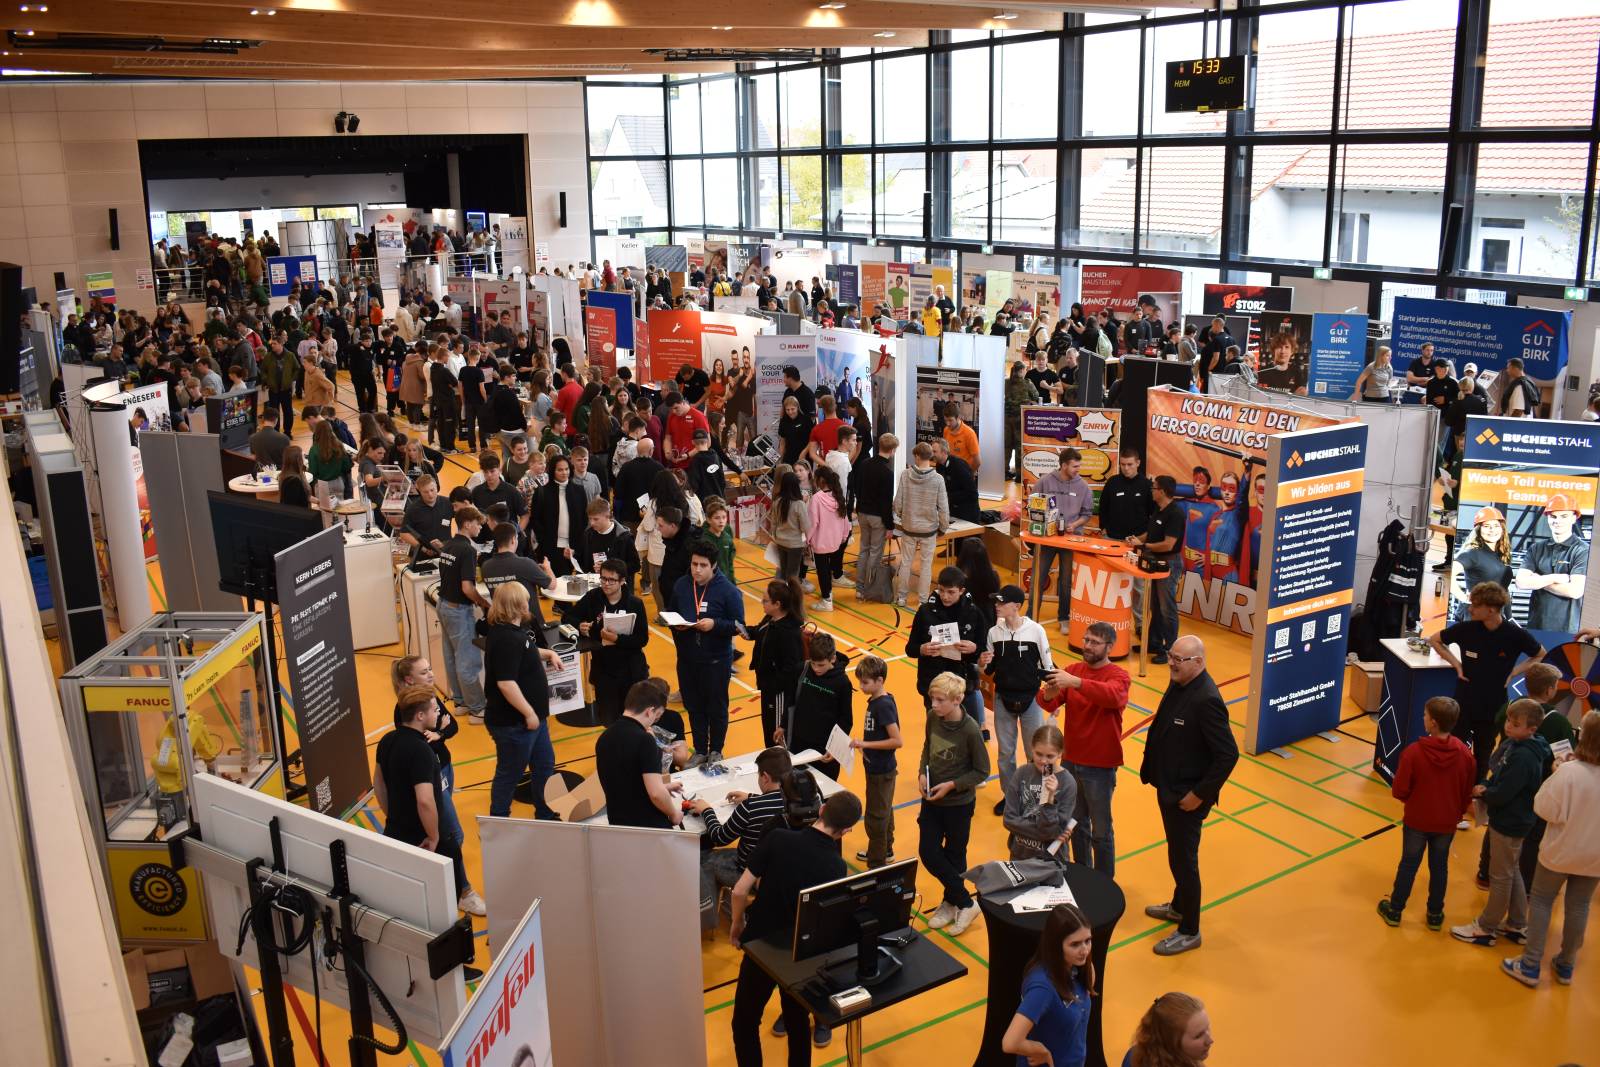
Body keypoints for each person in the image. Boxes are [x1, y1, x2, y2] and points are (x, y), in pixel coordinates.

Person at [728, 792, 863, 1064]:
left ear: (821, 809)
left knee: (745, 1021)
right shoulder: (836, 866)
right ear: (846, 830)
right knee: (797, 1023)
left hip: (761, 948)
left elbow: (740, 890)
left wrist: (737, 923)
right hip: (799, 957)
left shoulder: (778, 838)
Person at [372, 686, 484, 980]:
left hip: (396, 832)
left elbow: (379, 785)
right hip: (426, 841)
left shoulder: (387, 741)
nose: (438, 713)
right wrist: (434, 837)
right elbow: (425, 800)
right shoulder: (421, 750)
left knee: (412, 905)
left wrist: (393, 816)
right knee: (442, 910)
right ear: (420, 716)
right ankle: (452, 968)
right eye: (434, 709)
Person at [1139, 635, 1239, 956]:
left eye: (1178, 659)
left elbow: (1228, 755)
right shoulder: (1181, 682)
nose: (1170, 663)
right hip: (1170, 788)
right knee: (1177, 855)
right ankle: (1179, 907)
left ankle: (1189, 929)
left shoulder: (1206, 700)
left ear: (1198, 662)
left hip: (1186, 797)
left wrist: (1199, 794)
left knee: (1184, 862)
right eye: (1170, 656)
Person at [1503, 709, 1600, 987]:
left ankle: (1530, 963)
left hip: (1560, 851)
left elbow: (1543, 808)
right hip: (1594, 856)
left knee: (1542, 901)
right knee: (1579, 906)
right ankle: (1566, 964)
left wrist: (1555, 773)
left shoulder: (1569, 773)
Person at [1452, 699, 1553, 947]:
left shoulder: (1524, 757)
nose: (1508, 726)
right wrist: (1487, 784)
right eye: (1508, 720)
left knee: (1500, 877)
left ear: (1531, 729)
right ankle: (1517, 923)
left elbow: (1505, 792)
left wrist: (1485, 792)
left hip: (1510, 822)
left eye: (1515, 724)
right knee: (1511, 870)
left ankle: (1486, 928)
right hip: (1512, 819)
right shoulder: (1517, 745)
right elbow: (1500, 776)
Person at [1428, 581, 1545, 784]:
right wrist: (1456, 664)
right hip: (1464, 701)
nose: (1470, 609)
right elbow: (1434, 639)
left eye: (1475, 605)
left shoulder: (1514, 634)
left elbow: (1540, 654)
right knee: (1453, 748)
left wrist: (1514, 672)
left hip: (1494, 705)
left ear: (1491, 610)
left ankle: (1476, 791)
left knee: (1483, 754)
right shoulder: (1467, 629)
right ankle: (1449, 786)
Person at [1377, 696, 1476, 930]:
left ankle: (1395, 911)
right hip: (1446, 822)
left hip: (1417, 820)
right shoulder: (1465, 755)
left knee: (1408, 865)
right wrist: (1457, 811)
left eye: (1425, 715)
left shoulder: (1413, 753)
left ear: (1433, 723)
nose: (1423, 718)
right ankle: (1434, 914)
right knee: (1439, 867)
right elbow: (1467, 792)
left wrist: (1414, 802)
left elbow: (1399, 790)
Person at [1039, 620, 1130, 875]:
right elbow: (1048, 702)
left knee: (1101, 831)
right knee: (1075, 824)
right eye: (1086, 640)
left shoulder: (1118, 676)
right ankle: (1083, 874)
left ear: (1109, 647)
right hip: (1071, 762)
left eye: (1095, 642)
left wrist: (1076, 682)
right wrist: (1049, 692)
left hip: (1100, 766)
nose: (1088, 646)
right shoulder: (1074, 670)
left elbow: (1112, 696)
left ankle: (1104, 882)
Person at [482, 582, 564, 821]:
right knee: (510, 773)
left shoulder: (512, 632)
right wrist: (529, 713)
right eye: (526, 600)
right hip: (515, 723)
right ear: (517, 605)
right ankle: (499, 821)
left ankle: (545, 812)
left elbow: (526, 650)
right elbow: (506, 683)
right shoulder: (506, 638)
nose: (529, 604)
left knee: (544, 764)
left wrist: (548, 653)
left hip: (533, 721)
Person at [693, 746, 794, 934]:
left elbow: (720, 837)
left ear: (765, 777)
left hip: (748, 873)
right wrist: (751, 796)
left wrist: (707, 811)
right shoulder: (798, 801)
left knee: (704, 859)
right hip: (783, 873)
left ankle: (707, 919)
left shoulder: (750, 807)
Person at [919, 671, 990, 937]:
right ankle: (966, 903)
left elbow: (982, 771)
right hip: (931, 801)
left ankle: (951, 903)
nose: (934, 705)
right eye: (933, 699)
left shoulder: (970, 730)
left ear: (957, 699)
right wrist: (921, 772)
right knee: (929, 852)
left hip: (959, 805)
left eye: (940, 700)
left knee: (955, 855)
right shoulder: (932, 717)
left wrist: (951, 785)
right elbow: (927, 747)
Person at [668, 540, 745, 767]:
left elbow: (739, 625)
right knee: (694, 707)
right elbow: (670, 612)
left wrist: (715, 625)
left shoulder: (728, 591)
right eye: (694, 564)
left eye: (703, 565)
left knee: (716, 708)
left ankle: (716, 751)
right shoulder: (682, 585)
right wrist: (676, 625)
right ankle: (700, 750)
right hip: (687, 660)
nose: (697, 570)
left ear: (713, 566)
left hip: (716, 661)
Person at [984, 585, 1054, 815]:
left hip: (1031, 700)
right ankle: (1011, 796)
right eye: (996, 602)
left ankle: (1039, 798)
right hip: (1003, 699)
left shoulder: (1036, 631)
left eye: (1001, 602)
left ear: (1016, 606)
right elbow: (989, 669)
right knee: (1005, 753)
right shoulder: (994, 632)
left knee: (1037, 752)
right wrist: (983, 663)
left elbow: (1047, 667)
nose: (997, 606)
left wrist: (1053, 698)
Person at [1001, 902, 1096, 1067]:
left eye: (1087, 941)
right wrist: (1040, 1051)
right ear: (1056, 944)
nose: (1084, 951)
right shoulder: (1043, 988)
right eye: (1075, 944)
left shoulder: (1081, 966)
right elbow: (1010, 1042)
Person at [596, 679, 686, 830]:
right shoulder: (645, 740)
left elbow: (626, 782)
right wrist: (673, 813)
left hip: (618, 824)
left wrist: (664, 787)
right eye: (657, 716)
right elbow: (656, 794)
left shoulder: (604, 737)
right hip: (647, 827)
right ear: (649, 711)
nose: (654, 721)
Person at [909, 566, 989, 728]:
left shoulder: (974, 613)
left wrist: (974, 648)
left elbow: (983, 650)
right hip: (933, 685)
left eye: (951, 592)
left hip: (962, 687)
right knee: (937, 734)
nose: (945, 596)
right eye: (941, 590)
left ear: (961, 590)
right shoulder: (925, 612)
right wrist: (922, 649)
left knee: (966, 733)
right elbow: (910, 648)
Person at [435, 506, 491, 722]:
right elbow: (467, 588)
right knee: (468, 660)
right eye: (478, 524)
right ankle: (477, 709)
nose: (480, 528)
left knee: (451, 656)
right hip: (458, 610)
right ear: (467, 524)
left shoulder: (448, 545)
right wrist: (483, 603)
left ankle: (461, 702)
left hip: (443, 604)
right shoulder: (467, 550)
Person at [1032, 448, 1095, 631]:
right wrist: (1044, 522)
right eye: (1075, 466)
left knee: (1066, 582)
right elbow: (1033, 505)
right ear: (1064, 465)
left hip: (1071, 541)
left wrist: (1075, 525)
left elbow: (1087, 514)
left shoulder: (1083, 487)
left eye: (1079, 466)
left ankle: (1064, 618)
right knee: (1038, 578)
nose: (1078, 470)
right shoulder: (1045, 481)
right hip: (1047, 540)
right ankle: (1031, 616)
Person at [848, 655, 902, 868]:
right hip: (876, 767)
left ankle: (877, 863)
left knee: (875, 817)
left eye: (865, 682)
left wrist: (866, 744)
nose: (861, 687)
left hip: (881, 771)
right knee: (884, 809)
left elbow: (897, 741)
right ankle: (886, 849)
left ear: (880, 681)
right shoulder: (877, 701)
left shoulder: (883, 705)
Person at [1128, 476, 1186, 664]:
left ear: (1162, 491)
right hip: (1155, 562)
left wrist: (1144, 546)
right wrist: (1137, 539)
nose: (1151, 491)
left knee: (1167, 608)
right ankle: (1154, 643)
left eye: (1154, 488)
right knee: (1156, 606)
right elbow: (1151, 533)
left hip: (1168, 564)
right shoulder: (1158, 510)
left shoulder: (1175, 514)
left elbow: (1169, 544)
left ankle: (1171, 650)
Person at [1002, 724, 1078, 866]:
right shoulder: (1021, 773)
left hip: (1051, 860)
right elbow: (1009, 820)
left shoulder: (1068, 783)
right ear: (1032, 748)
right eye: (1039, 754)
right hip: (1020, 855)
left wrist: (1050, 799)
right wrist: (1049, 833)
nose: (1043, 761)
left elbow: (1055, 830)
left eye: (1050, 756)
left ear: (1060, 753)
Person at [747, 578, 807, 748]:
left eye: (765, 600)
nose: (762, 603)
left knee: (777, 736)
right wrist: (744, 631)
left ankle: (781, 762)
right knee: (768, 731)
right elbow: (760, 631)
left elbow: (791, 670)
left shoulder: (788, 633)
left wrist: (773, 685)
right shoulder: (771, 619)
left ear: (777, 604)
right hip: (767, 687)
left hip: (778, 693)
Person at [1516, 494, 1588, 632]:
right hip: (1537, 625)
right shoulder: (1536, 548)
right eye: (1553, 516)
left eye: (1564, 516)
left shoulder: (1582, 550)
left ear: (1574, 518)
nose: (1557, 521)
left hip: (1567, 629)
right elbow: (1521, 582)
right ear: (1548, 518)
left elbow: (1575, 591)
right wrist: (1554, 577)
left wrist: (1539, 580)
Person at [895, 441, 951, 607]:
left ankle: (901, 598)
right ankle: (923, 600)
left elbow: (898, 503)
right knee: (926, 565)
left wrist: (903, 516)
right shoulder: (938, 479)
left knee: (906, 563)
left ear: (917, 456)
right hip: (929, 529)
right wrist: (943, 527)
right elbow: (943, 507)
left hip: (909, 528)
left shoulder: (905, 475)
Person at [1450, 507, 1513, 620]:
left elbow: (1504, 589)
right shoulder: (1472, 553)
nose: (1492, 530)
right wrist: (1464, 598)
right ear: (1478, 529)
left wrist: (1509, 617)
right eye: (1486, 526)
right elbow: (1449, 573)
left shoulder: (1502, 555)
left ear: (1502, 528)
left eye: (1496, 526)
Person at [1123, 992, 1215, 1067]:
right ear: (1171, 1042)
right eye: (1198, 1036)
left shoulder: (1135, 1054)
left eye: (1207, 1028)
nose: (1210, 1041)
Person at [806, 464, 850, 613]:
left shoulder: (816, 499)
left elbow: (813, 523)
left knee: (823, 572)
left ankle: (826, 600)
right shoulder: (838, 495)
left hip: (820, 542)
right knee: (829, 569)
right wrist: (844, 536)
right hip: (836, 541)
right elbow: (845, 520)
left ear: (819, 480)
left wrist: (807, 539)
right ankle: (828, 596)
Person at [767, 469, 810, 582]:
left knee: (783, 571)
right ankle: (791, 592)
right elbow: (805, 527)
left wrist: (775, 536)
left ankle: (782, 590)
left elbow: (773, 522)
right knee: (793, 575)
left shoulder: (777, 502)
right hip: (795, 544)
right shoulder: (799, 504)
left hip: (780, 541)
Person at [942, 402, 980, 473]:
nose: (947, 423)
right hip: (950, 473)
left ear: (958, 417)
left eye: (950, 420)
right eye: (945, 420)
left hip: (964, 474)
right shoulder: (946, 430)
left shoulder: (969, 433)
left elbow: (977, 461)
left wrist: (968, 474)